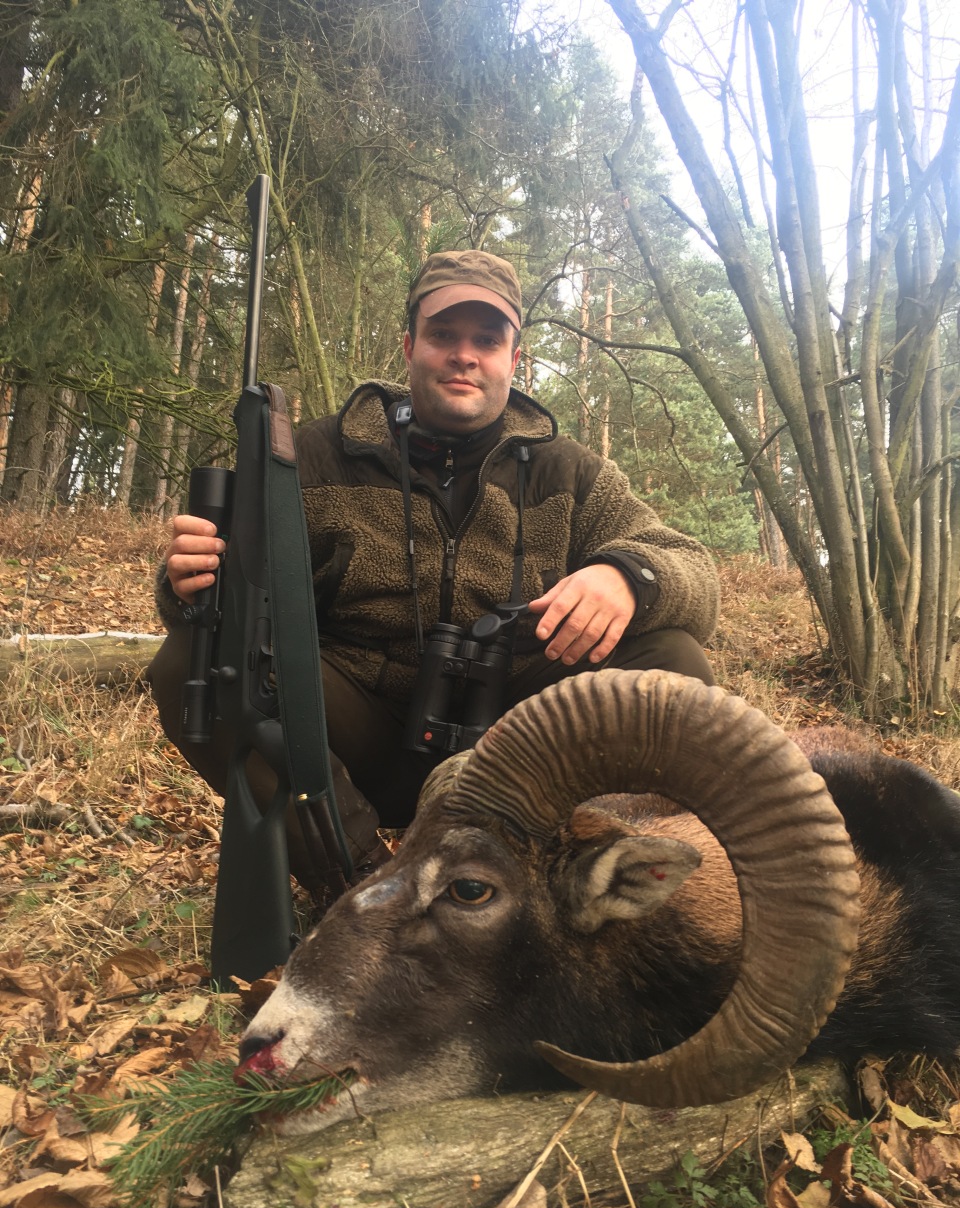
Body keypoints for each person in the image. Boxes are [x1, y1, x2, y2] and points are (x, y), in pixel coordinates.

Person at [149, 249, 719, 887]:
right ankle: (361, 885)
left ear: (515, 359)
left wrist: (627, 577)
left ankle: (571, 889)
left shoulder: (570, 471)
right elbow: (227, 592)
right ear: (409, 347)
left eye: (487, 340)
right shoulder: (317, 454)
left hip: (523, 742)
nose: (464, 356)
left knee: (673, 659)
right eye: (443, 334)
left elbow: (693, 569)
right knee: (194, 661)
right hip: (359, 732)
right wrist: (188, 583)